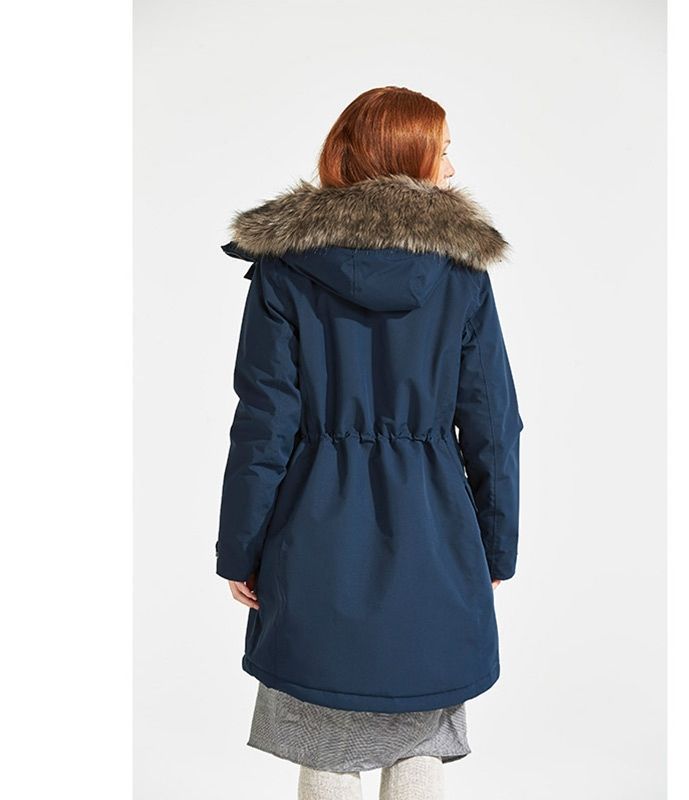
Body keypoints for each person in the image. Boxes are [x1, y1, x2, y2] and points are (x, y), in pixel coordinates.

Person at [215, 85, 524, 800]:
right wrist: (494, 545)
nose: (452, 166)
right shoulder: (460, 274)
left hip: (313, 536)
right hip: (436, 534)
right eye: (443, 150)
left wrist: (241, 548)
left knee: (326, 734)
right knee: (419, 735)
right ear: (407, 157)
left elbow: (262, 423)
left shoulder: (286, 269)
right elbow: (493, 422)